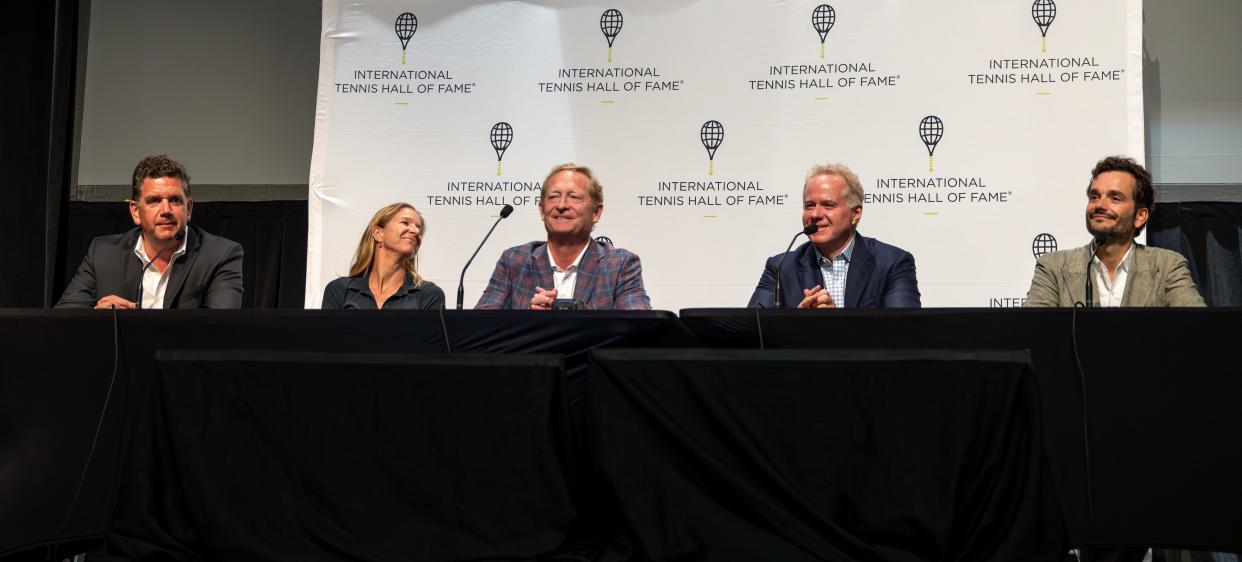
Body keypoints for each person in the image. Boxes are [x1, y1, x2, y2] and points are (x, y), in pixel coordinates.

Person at [55, 154, 243, 309]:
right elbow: (63, 319)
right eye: (154, 201)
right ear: (135, 211)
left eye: (175, 200)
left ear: (189, 209)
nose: (166, 210)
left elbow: (222, 329)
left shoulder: (220, 255)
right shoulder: (104, 253)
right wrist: (96, 318)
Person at [1024, 156, 1204, 307]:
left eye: (1114, 198)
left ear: (1140, 216)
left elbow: (1198, 330)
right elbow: (1032, 334)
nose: (1100, 205)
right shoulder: (1053, 267)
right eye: (1094, 196)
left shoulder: (1167, 267)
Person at [475, 163, 650, 310]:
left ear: (596, 212)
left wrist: (576, 318)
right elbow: (479, 328)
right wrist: (526, 318)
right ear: (542, 210)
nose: (561, 205)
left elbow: (639, 330)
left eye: (574, 197)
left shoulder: (619, 264)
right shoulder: (514, 260)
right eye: (553, 197)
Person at [749, 163, 920, 308]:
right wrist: (797, 322)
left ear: (855, 213)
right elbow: (752, 331)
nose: (815, 214)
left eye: (828, 205)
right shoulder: (781, 267)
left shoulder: (892, 263)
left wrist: (836, 324)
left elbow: (905, 332)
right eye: (809, 205)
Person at [322, 203, 444, 309]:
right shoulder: (340, 290)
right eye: (405, 222)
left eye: (418, 227)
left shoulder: (429, 294)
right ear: (378, 233)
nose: (416, 231)